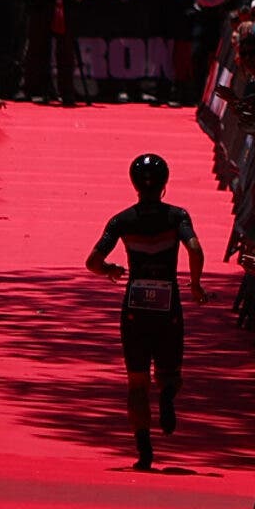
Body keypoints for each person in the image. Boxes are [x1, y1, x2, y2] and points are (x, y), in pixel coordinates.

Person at [85, 152, 207, 469]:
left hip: (135, 308)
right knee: (171, 372)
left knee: (136, 381)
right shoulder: (177, 216)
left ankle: (144, 450)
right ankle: (167, 394)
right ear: (165, 184)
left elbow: (92, 262)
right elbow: (194, 248)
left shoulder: (122, 221)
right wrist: (194, 284)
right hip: (168, 306)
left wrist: (110, 269)